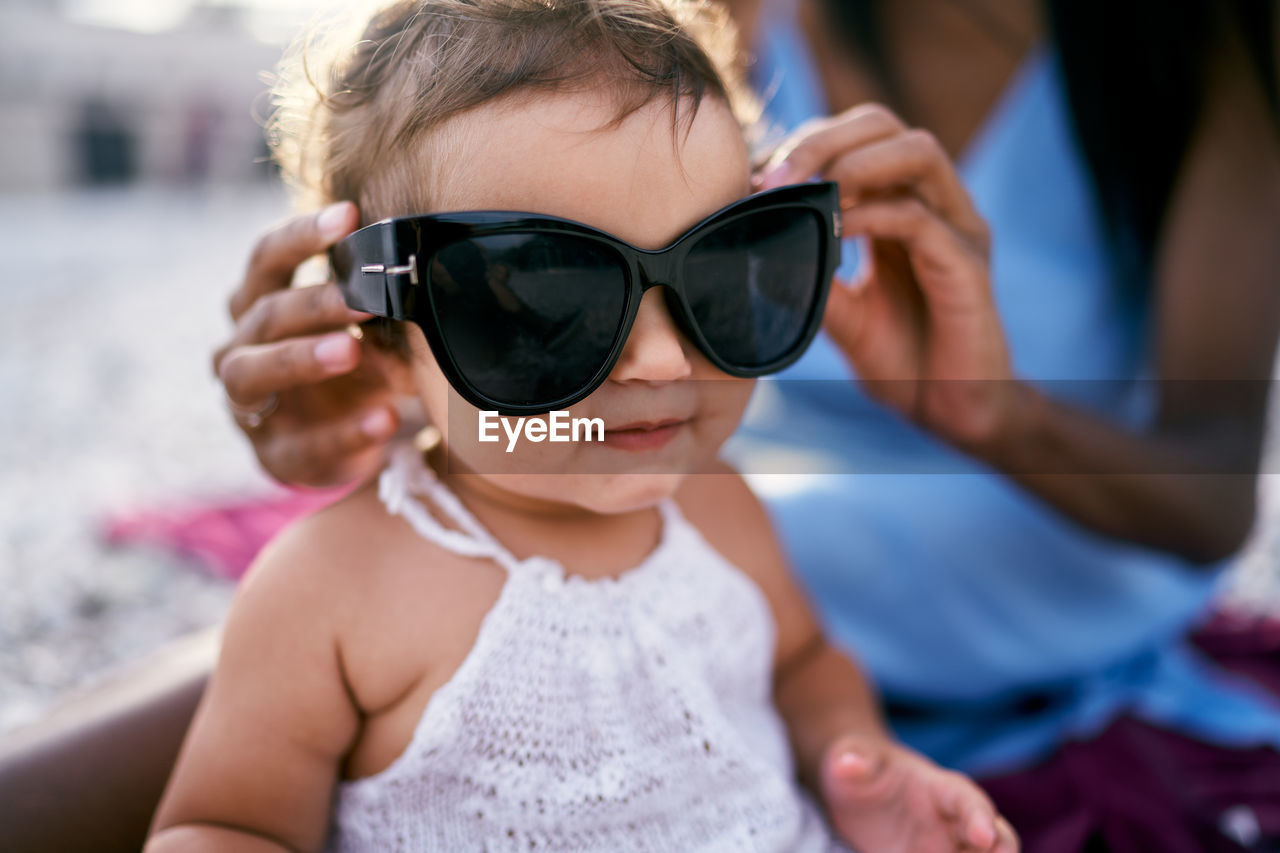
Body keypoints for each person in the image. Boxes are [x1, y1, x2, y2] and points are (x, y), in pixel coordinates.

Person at [215, 0, 1280, 848]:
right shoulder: (329, 583)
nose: (664, 355)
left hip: (1060, 519)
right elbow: (225, 820)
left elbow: (804, 659)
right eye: (544, 296)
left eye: (726, 264)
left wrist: (853, 757)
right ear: (383, 340)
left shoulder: (722, 518)